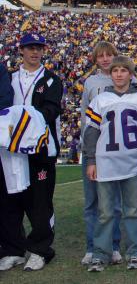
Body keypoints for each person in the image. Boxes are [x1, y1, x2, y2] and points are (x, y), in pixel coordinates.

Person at [82, 56, 137, 272]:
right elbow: (92, 131)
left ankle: (134, 251)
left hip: (131, 161)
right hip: (106, 161)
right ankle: (101, 253)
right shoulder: (101, 99)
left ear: (131, 73)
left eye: (123, 70)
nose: (118, 74)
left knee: (132, 209)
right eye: (115, 70)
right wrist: (91, 160)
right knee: (105, 211)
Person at [0, 33, 62, 272]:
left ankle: (40, 249)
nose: (34, 52)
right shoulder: (8, 77)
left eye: (38, 48)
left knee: (40, 200)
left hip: (40, 149)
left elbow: (51, 110)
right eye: (30, 48)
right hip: (10, 149)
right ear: (21, 51)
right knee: (8, 200)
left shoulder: (51, 79)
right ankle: (13, 249)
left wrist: (24, 122)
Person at [79, 41, 123, 266]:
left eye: (109, 55)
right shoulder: (90, 82)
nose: (106, 59)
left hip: (114, 149)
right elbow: (85, 117)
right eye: (101, 56)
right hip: (92, 148)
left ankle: (114, 246)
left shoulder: (125, 78)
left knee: (114, 203)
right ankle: (92, 246)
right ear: (95, 59)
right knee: (92, 202)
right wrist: (86, 147)